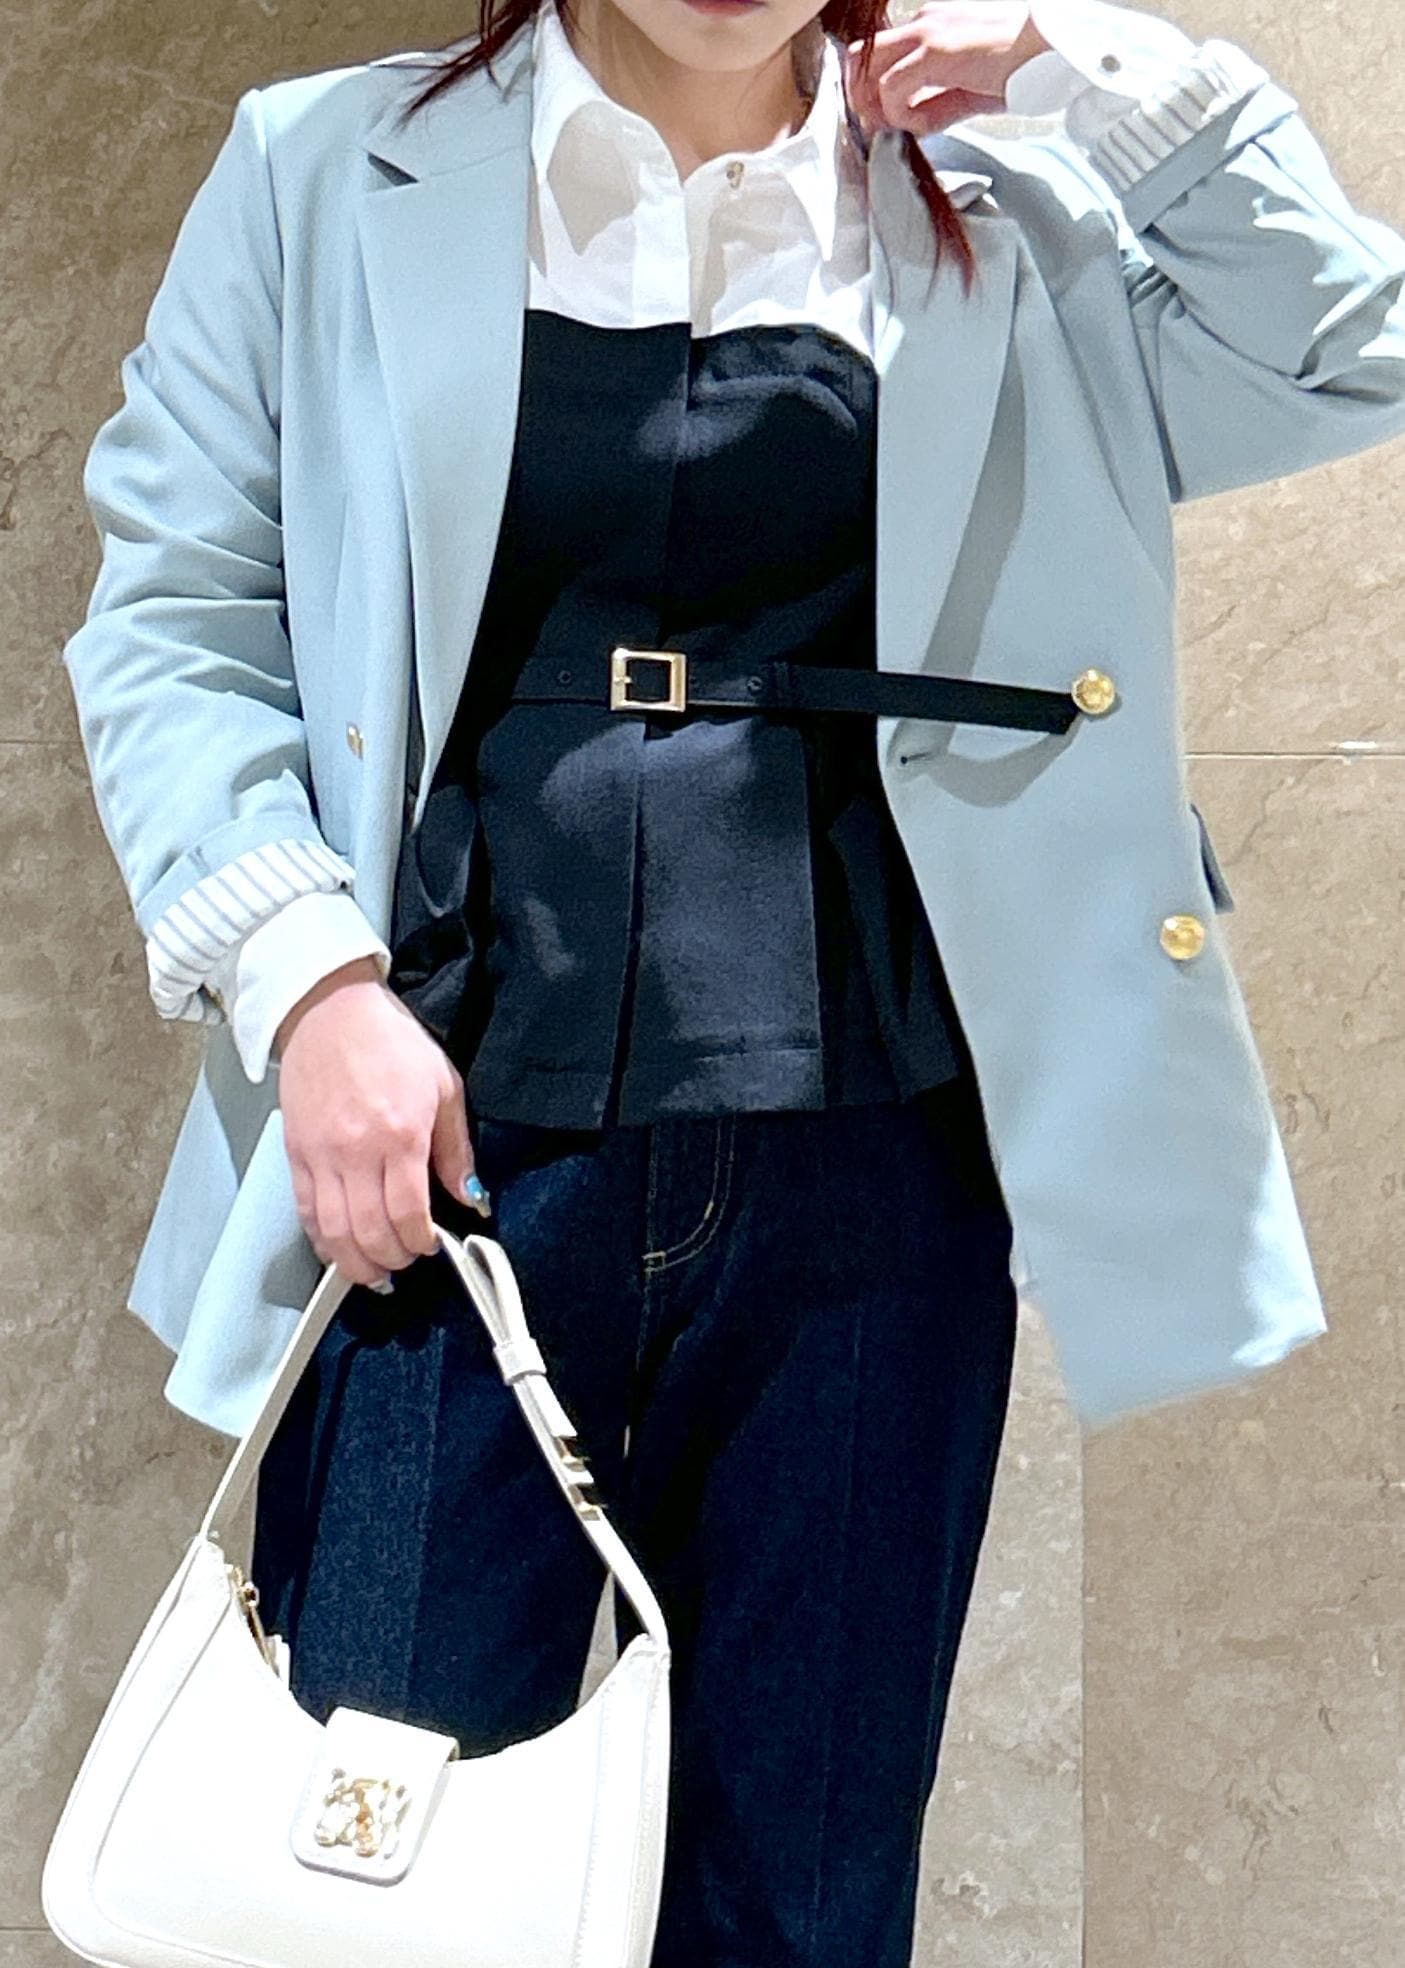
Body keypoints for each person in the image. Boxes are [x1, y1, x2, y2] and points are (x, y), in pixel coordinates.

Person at [61, 2, 1405, 1961]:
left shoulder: (1007, 199)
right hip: (445, 1154)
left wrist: (1103, 71)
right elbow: (179, 610)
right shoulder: (322, 165)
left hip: (877, 1158)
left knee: (804, 1881)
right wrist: (306, 984)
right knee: (375, 1856)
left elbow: (1346, 347)